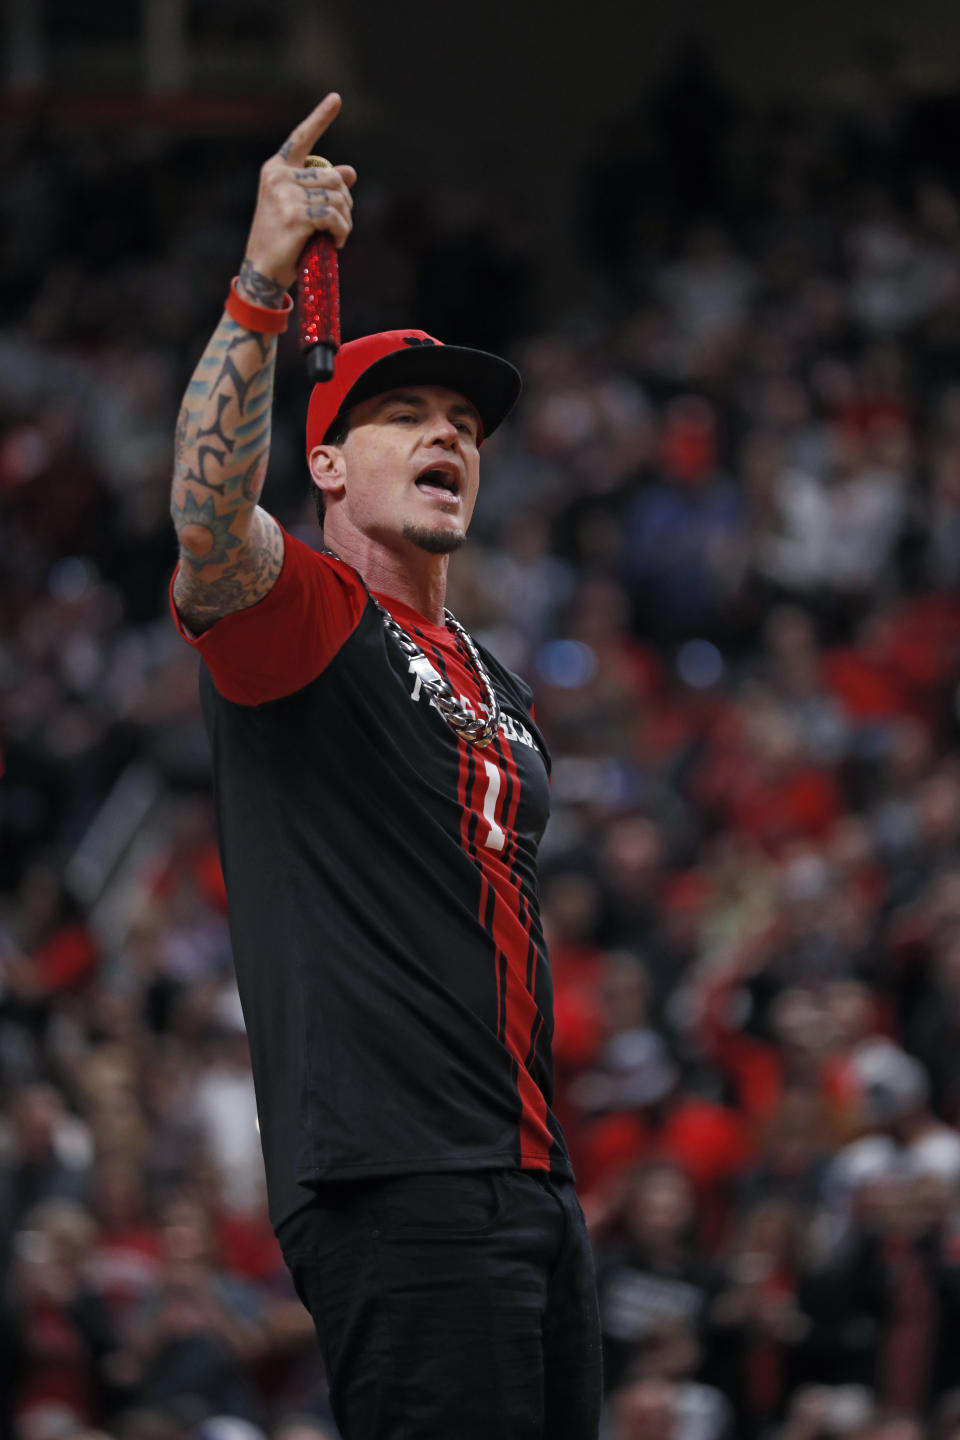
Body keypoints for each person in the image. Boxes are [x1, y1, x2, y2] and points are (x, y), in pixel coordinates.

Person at [168, 93, 602, 1440]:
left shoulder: (489, 668)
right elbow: (203, 516)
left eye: (465, 421)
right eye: (405, 414)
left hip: (529, 1181)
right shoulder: (305, 617)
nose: (449, 435)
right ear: (329, 466)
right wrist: (259, 285)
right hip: (400, 1177)